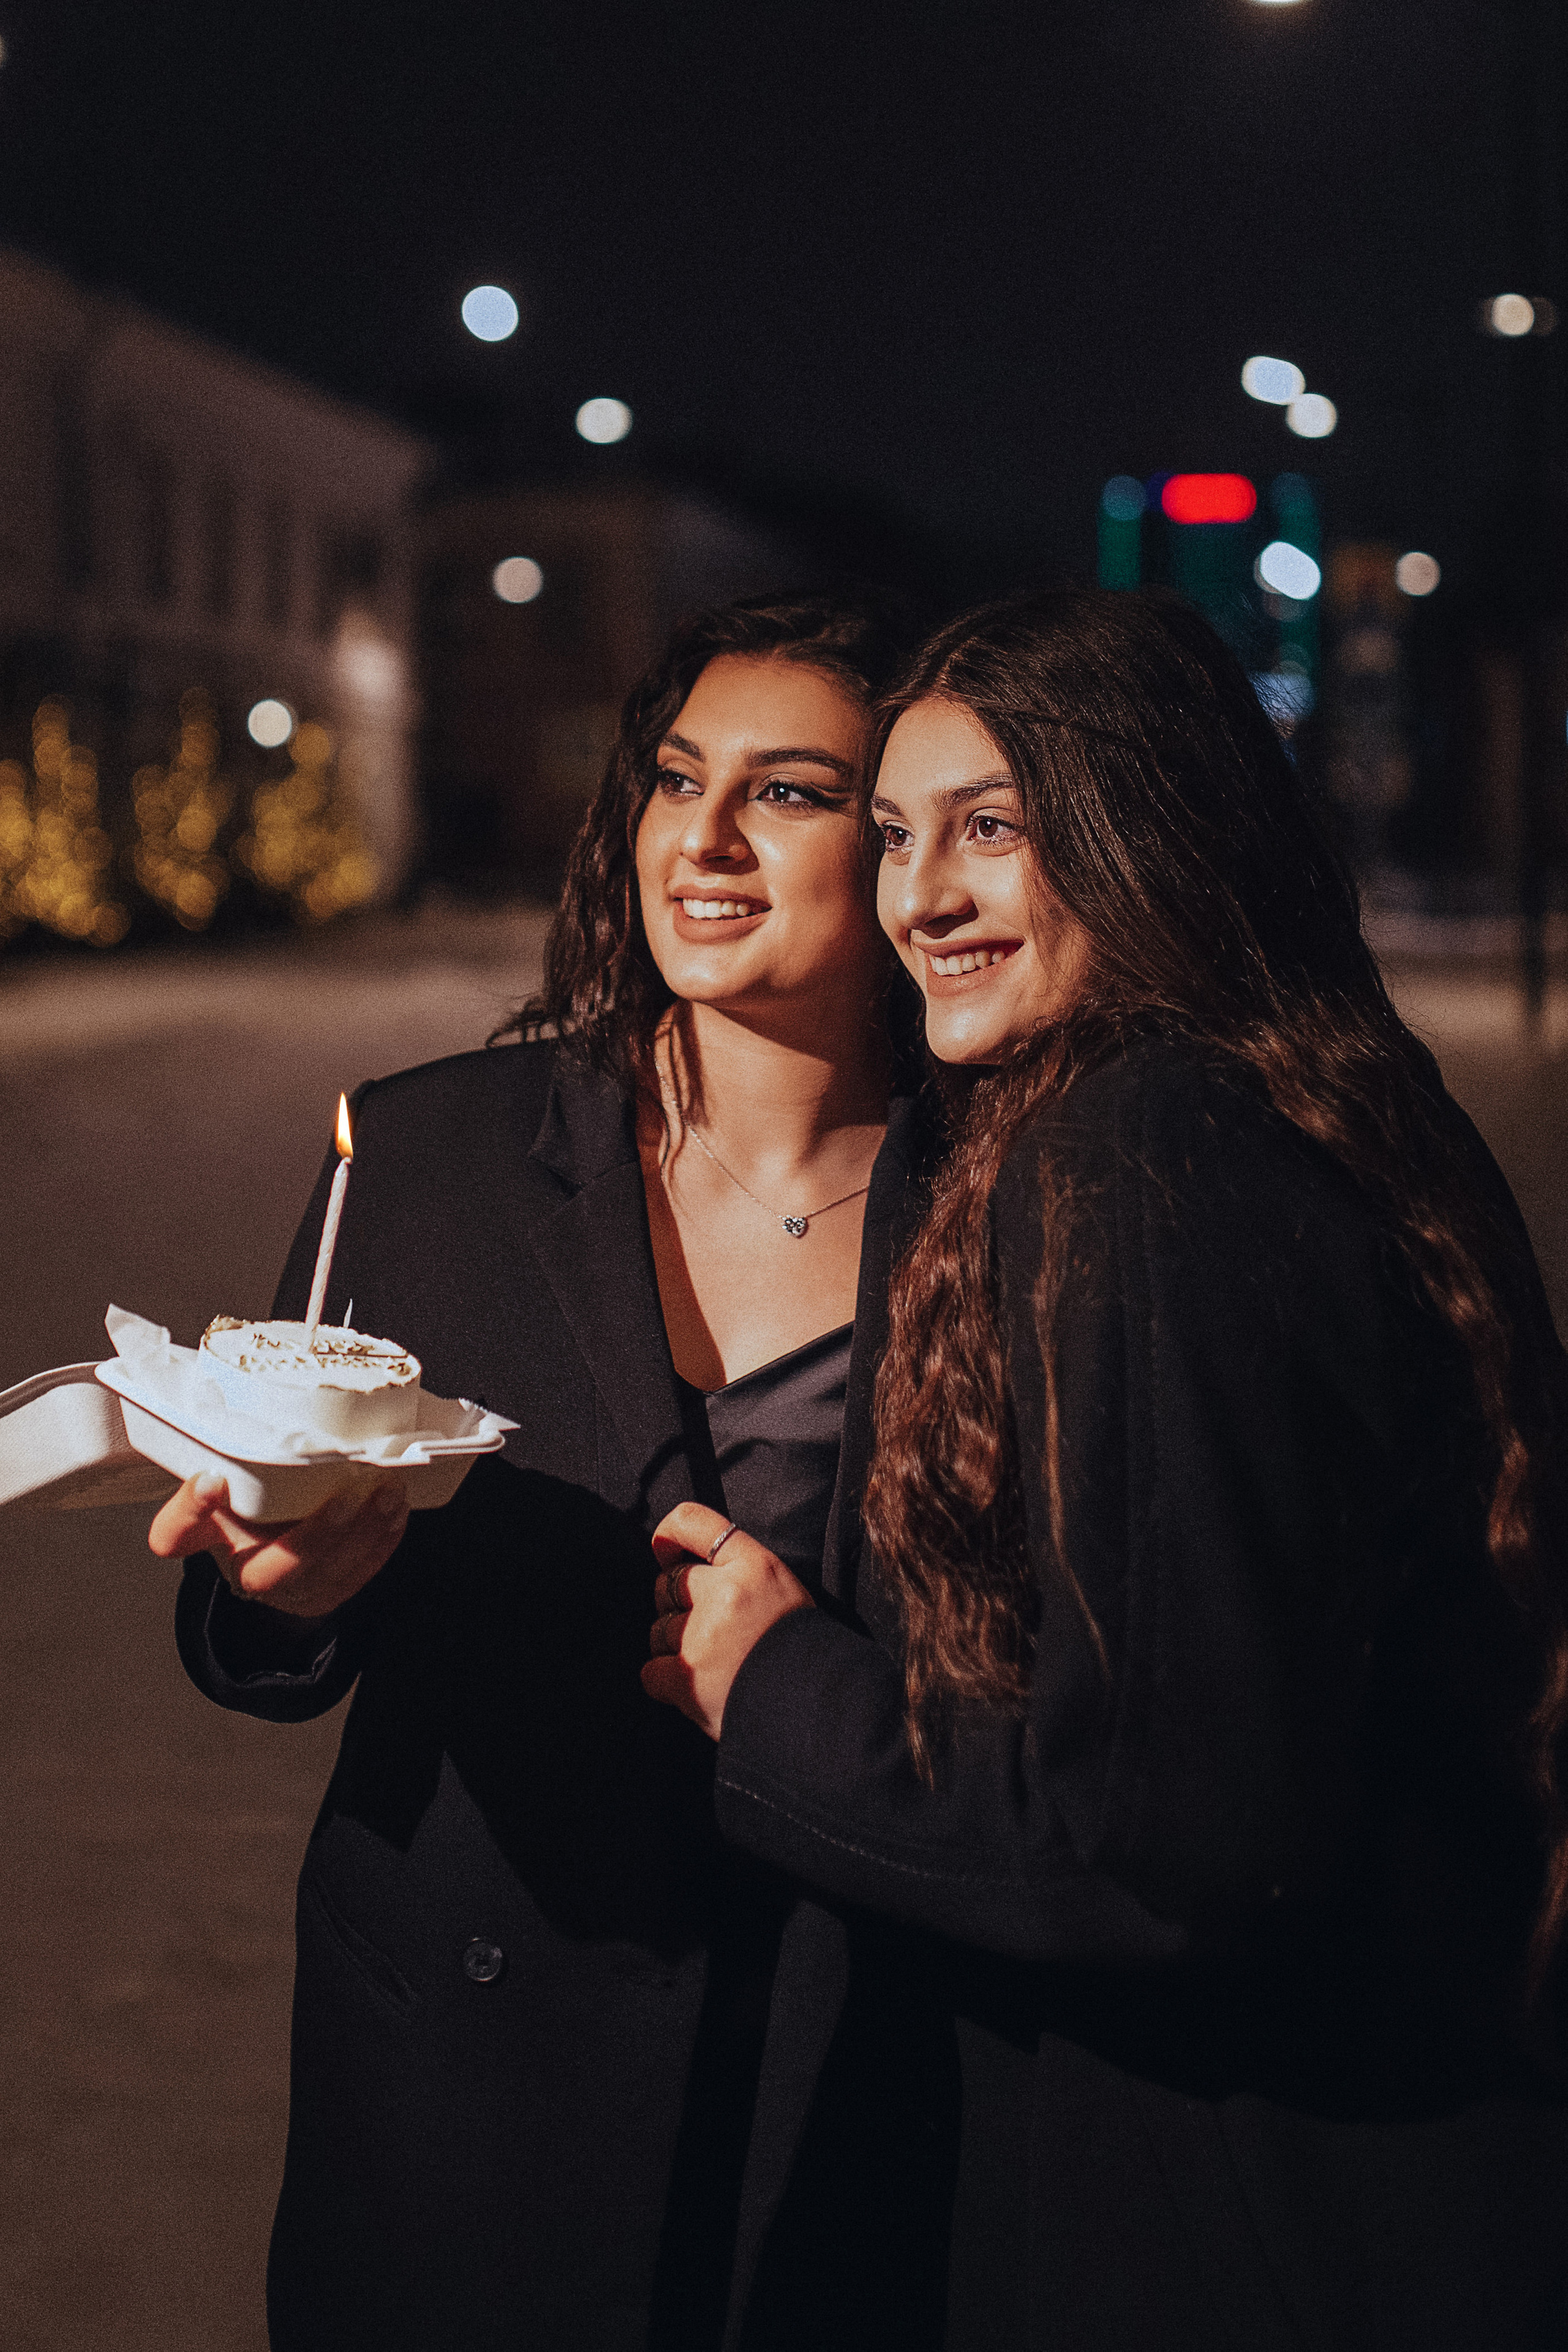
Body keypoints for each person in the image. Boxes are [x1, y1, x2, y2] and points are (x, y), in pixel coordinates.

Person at [645, 588, 1568, 2351]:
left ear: (1148, 826)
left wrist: (776, 1690)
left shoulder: (1143, 1153)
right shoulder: (1314, 1096)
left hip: (1264, 2220)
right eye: (899, 834)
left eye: (994, 828)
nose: (921, 897)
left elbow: (1170, 1845)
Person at [151, 594, 957, 2352]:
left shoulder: (1008, 1202)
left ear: (901, 850)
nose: (709, 838)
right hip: (468, 2080)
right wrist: (280, 1588)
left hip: (849, 2063)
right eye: (678, 778)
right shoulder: (431, 1157)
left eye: (792, 792)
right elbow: (251, 1631)